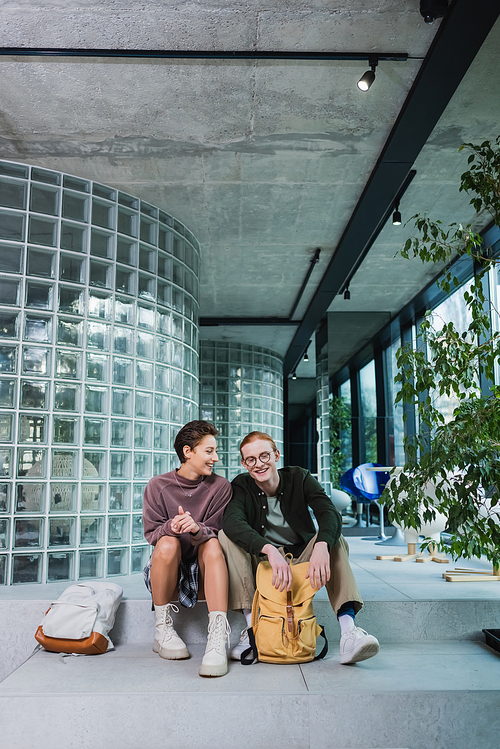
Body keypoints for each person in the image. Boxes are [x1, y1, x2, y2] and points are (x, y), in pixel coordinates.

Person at [219, 431, 380, 665]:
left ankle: (349, 633)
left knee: (333, 538)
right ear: (244, 463)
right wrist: (270, 550)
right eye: (251, 460)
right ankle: (254, 632)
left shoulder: (299, 477)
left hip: (303, 559)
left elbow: (328, 511)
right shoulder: (241, 485)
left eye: (264, 456)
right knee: (226, 536)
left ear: (276, 455)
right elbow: (232, 522)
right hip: (265, 563)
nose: (259, 464)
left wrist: (322, 545)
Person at [143, 420, 232, 677]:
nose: (215, 457)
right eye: (209, 451)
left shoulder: (220, 487)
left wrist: (195, 529)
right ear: (187, 452)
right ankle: (162, 629)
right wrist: (172, 526)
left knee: (212, 543)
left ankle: (216, 638)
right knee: (168, 541)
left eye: (215, 451)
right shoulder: (157, 486)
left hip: (205, 571)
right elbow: (152, 534)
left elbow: (215, 530)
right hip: (167, 572)